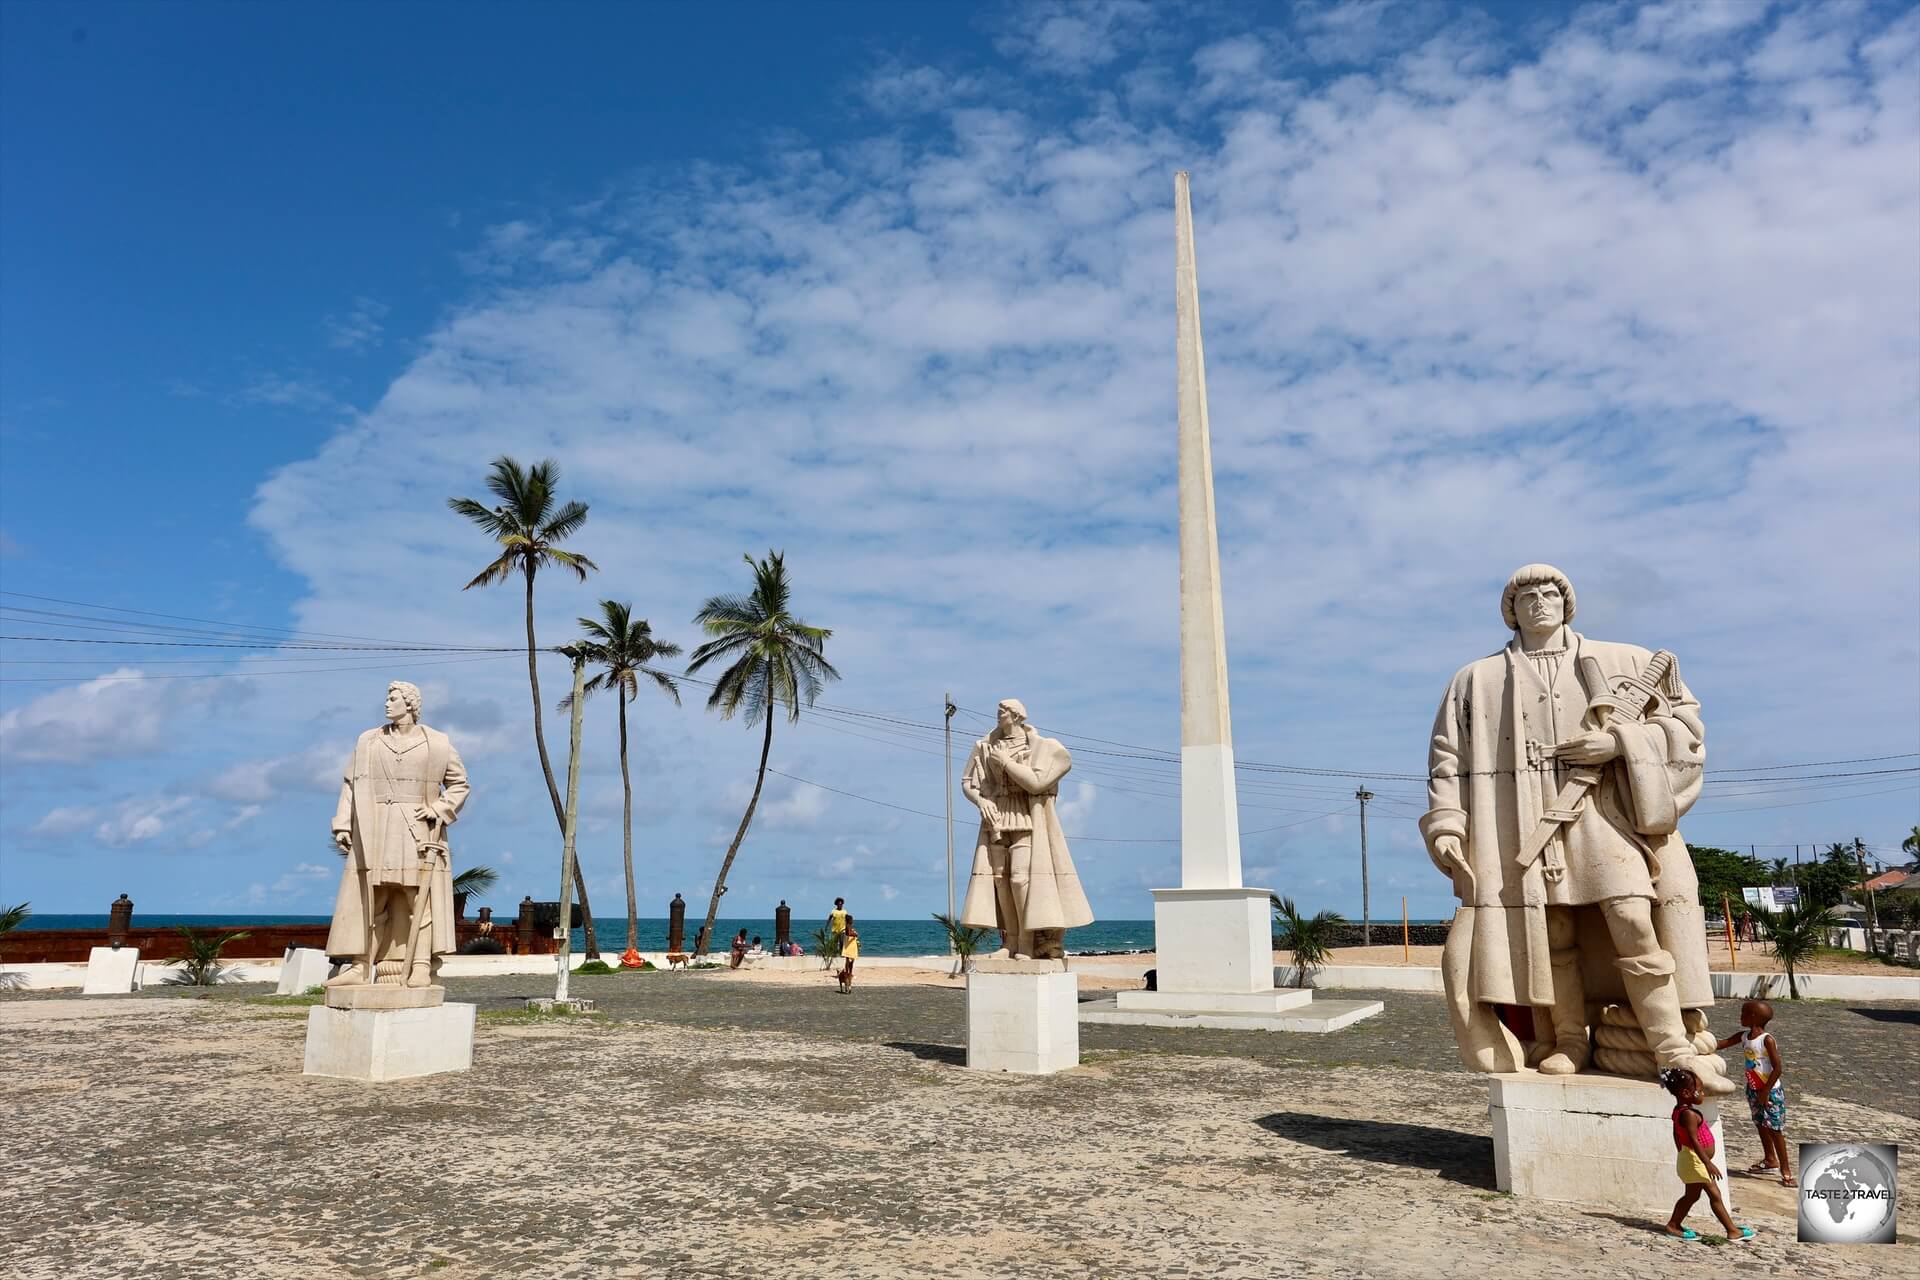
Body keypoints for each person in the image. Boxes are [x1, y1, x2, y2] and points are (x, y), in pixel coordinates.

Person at [1420, 565, 1732, 1094]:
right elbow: (1447, 759)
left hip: (1603, 812)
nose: (1539, 602)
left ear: (1567, 604)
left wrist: (1619, 745)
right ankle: (1569, 1040)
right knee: (1553, 931)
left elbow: (1685, 725)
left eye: (1549, 593)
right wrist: (1448, 823)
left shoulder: (1624, 661)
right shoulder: (1475, 679)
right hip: (1516, 822)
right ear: (1510, 610)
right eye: (1526, 597)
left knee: (1633, 912)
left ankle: (1671, 1046)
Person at [324, 680, 471, 989]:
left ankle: (419, 965)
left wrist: (440, 808)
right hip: (374, 824)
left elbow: (459, 783)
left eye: (393, 699)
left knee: (419, 898)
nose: (387, 704)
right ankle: (360, 965)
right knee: (371, 897)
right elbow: (351, 784)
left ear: (410, 704)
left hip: (416, 826)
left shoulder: (437, 743)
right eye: (387, 698)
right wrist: (342, 823)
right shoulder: (369, 740)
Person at [958, 698, 1094, 959]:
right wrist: (981, 800)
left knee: (1021, 879)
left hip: (1026, 817)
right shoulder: (984, 745)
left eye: (1002, 712)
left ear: (1017, 716)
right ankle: (1010, 942)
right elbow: (967, 782)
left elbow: (1036, 783)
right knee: (1000, 880)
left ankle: (1027, 943)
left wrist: (1006, 762)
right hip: (996, 817)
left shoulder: (1043, 747)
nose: (998, 716)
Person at [1660, 1067, 1753, 1242]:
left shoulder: (1679, 1110)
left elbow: (1676, 1133)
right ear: (1687, 1093)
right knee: (1714, 1195)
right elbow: (1694, 1140)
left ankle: (1674, 1224)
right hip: (1696, 1161)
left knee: (1692, 1195)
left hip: (1693, 1159)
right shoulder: (1688, 1114)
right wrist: (1707, 1163)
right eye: (1700, 1090)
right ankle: (1732, 1230)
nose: (1702, 1093)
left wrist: (1681, 1150)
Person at [1716, 1000, 1793, 1186]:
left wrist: (1766, 1091)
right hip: (1753, 1089)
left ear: (1753, 1016)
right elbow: (1721, 1044)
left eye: (1743, 1013)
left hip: (1770, 1092)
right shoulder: (1744, 1037)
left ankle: (1786, 1170)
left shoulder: (1766, 1040)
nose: (1740, 1016)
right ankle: (1770, 1159)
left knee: (1775, 1129)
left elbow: (1777, 1068)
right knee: (1760, 1124)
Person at [837, 926, 860, 994]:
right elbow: (849, 933)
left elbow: (848, 934)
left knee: (850, 962)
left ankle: (848, 977)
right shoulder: (847, 927)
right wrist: (855, 934)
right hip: (849, 947)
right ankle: (848, 977)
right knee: (849, 962)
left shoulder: (847, 928)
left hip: (850, 946)